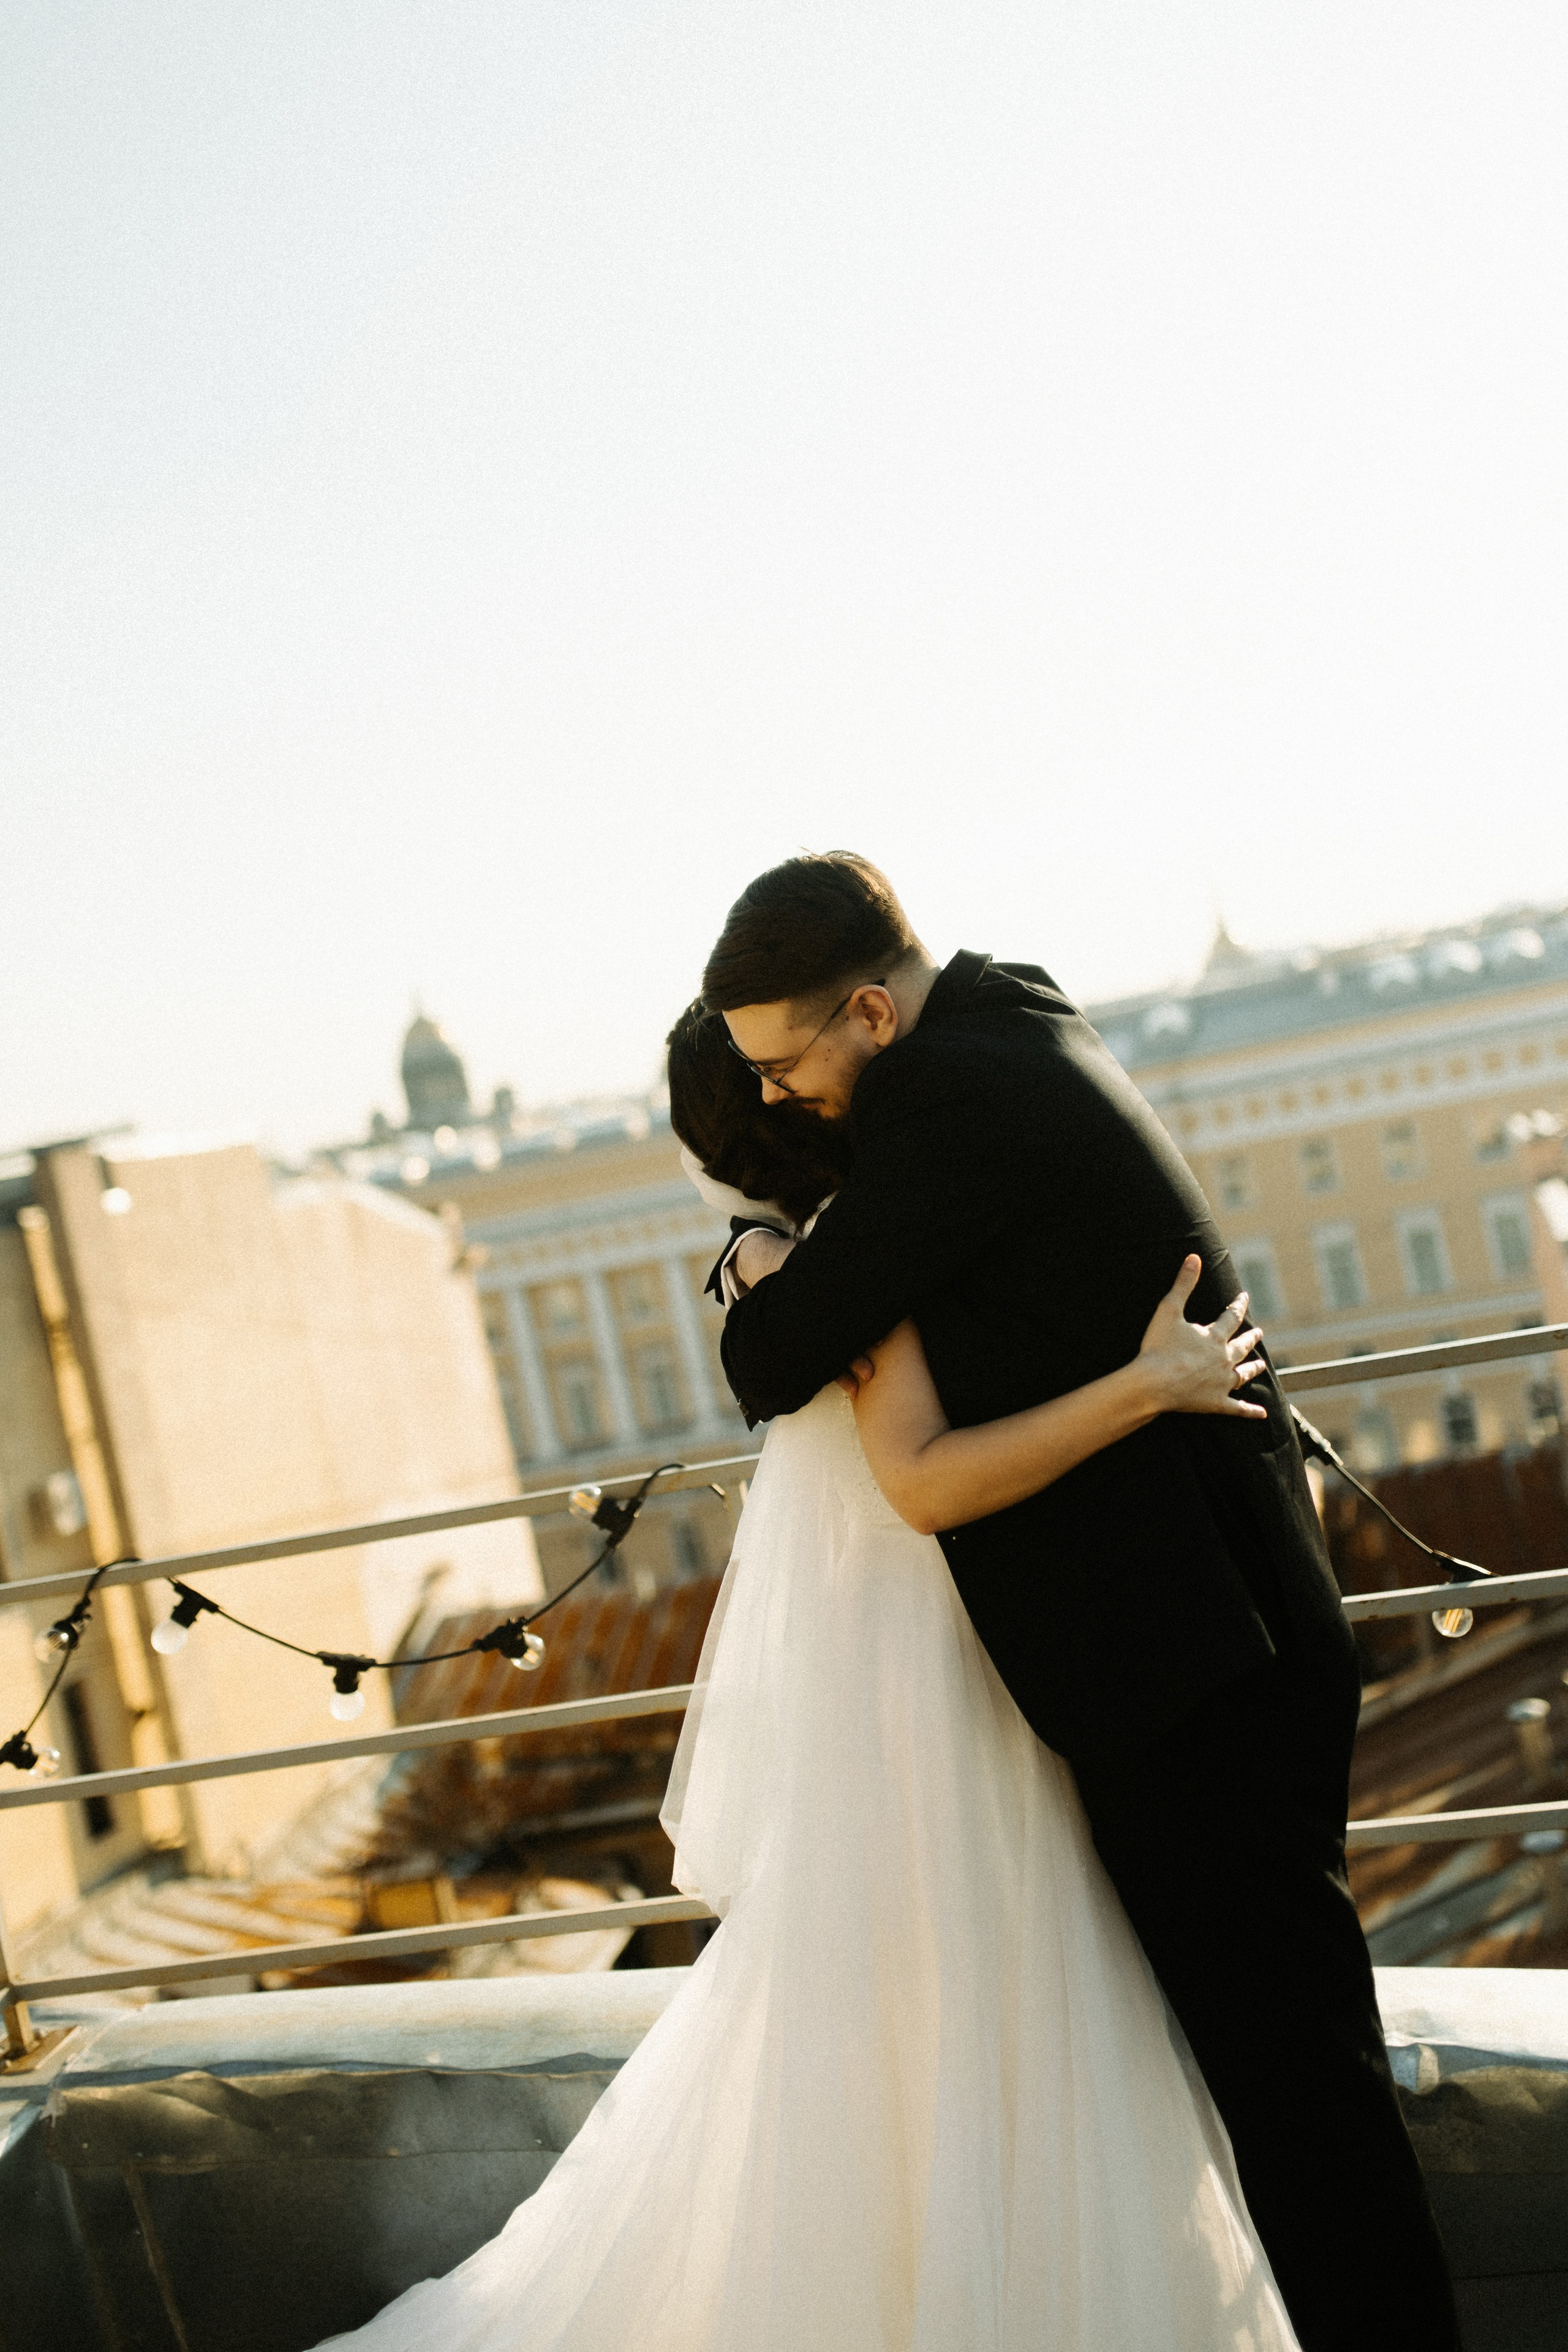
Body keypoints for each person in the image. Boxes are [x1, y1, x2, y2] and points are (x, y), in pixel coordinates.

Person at [309, 1005, 1299, 2352]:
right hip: (931, 1681)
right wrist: (1145, 1385)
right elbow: (919, 1481)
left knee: (930, 2025)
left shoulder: (780, 1260)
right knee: (998, 2001)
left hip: (899, 1678)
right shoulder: (835, 1261)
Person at [706, 852, 1459, 2352]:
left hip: (1192, 1672)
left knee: (1298, 2105)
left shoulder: (945, 1099)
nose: (781, 1100)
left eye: (784, 1068)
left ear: (869, 1013)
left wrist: (751, 1257)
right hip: (1229, 1637)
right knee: (1299, 2081)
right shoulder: (1015, 1011)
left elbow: (772, 1355)